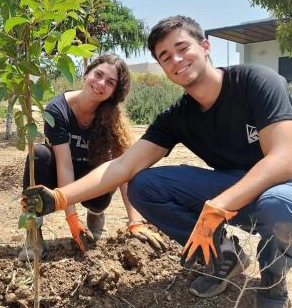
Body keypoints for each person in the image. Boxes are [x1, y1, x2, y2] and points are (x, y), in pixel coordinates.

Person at [21, 16, 292, 308]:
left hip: (280, 190)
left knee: (276, 204)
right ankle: (224, 255)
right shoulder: (176, 117)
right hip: (234, 188)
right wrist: (59, 198)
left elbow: (284, 158)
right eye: (165, 57)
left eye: (182, 48)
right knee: (143, 186)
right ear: (164, 69)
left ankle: (272, 285)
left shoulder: (255, 82)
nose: (176, 59)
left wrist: (218, 207)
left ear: (205, 46)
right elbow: (123, 166)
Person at [19, 54, 166, 260]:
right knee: (39, 155)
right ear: (87, 73)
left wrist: (135, 221)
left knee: (110, 166)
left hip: (91, 178)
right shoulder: (57, 110)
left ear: (113, 92)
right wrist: (71, 218)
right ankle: (34, 232)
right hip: (60, 173)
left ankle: (96, 212)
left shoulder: (111, 118)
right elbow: (65, 165)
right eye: (98, 74)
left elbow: (126, 169)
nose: (100, 84)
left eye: (110, 82)